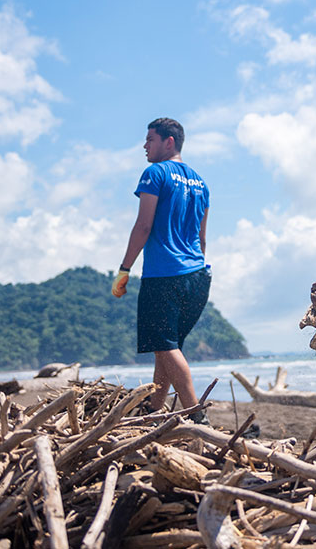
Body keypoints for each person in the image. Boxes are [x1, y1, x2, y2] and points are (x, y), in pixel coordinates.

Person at [112, 117, 211, 424]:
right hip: (198, 275)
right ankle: (155, 411)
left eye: (150, 139)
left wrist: (124, 269)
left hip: (164, 275)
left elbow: (143, 226)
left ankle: (196, 415)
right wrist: (192, 271)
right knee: (165, 346)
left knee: (165, 346)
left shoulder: (155, 173)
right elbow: (202, 239)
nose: (144, 145)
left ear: (169, 142)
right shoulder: (202, 184)